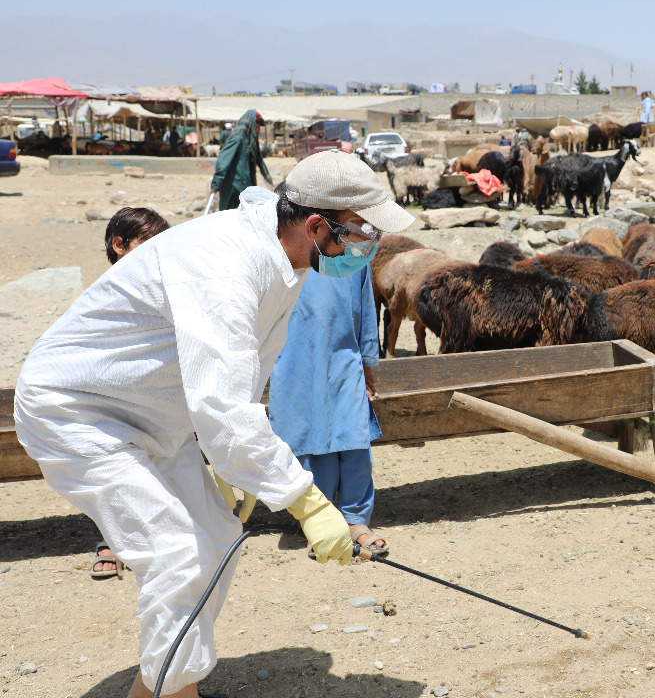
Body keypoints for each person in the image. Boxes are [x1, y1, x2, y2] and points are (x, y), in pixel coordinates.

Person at [14, 149, 414, 698]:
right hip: (79, 411)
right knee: (176, 550)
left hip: (155, 416)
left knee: (219, 537)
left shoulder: (286, 261)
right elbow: (224, 406)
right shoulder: (225, 262)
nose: (366, 247)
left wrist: (239, 470)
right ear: (317, 225)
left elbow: (242, 376)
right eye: (361, 232)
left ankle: (163, 688)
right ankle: (172, 692)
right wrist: (309, 501)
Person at [268, 215, 387, 559]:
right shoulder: (282, 253)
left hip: (343, 356)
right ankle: (321, 522)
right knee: (310, 439)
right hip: (294, 359)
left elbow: (366, 309)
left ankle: (353, 519)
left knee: (353, 436)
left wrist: (367, 361)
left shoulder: (353, 252)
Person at [87, 207, 172, 580]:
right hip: (108, 402)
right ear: (119, 245)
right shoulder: (100, 295)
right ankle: (110, 542)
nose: (158, 252)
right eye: (147, 243)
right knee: (112, 475)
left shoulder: (164, 290)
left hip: (155, 400)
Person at [210, 110, 270, 211]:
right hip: (234, 190)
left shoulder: (247, 142)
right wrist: (216, 184)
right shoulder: (238, 139)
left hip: (244, 189)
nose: (258, 130)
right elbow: (223, 162)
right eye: (258, 126)